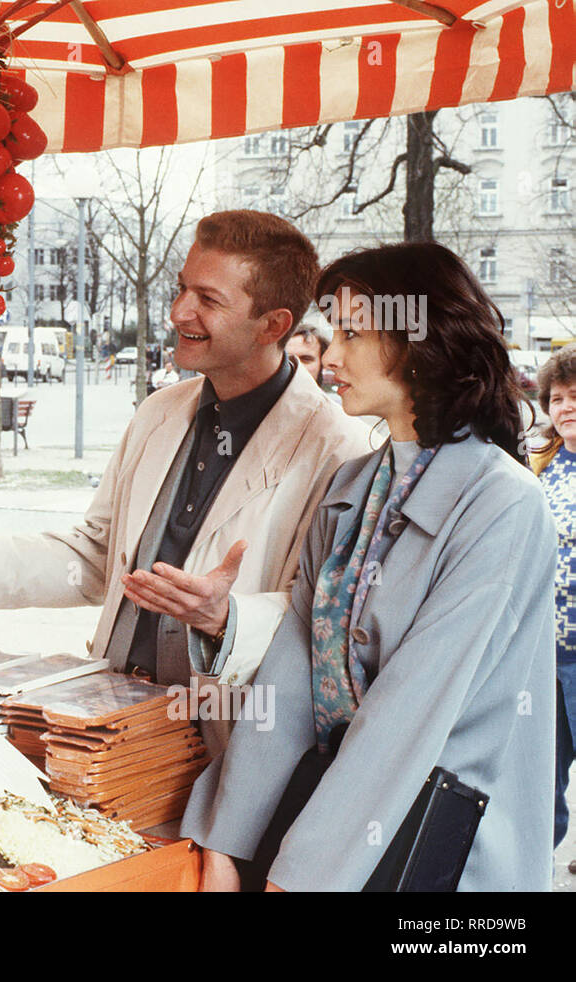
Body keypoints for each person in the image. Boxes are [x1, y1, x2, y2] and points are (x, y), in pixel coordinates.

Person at [0, 211, 369, 745]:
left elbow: (327, 625)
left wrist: (226, 617)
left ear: (274, 325)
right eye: (180, 289)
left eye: (208, 299)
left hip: (229, 739)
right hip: (111, 725)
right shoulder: (160, 412)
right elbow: (97, 556)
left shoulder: (338, 451)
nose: (178, 312)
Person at [182, 242, 557, 892]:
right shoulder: (350, 487)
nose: (328, 358)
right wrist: (226, 837)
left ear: (421, 340)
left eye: (352, 333)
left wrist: (298, 877)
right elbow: (290, 679)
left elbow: (406, 713)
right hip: (340, 837)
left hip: (442, 864)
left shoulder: (504, 505)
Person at [532, 346, 576, 849]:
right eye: (557, 398)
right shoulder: (540, 462)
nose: (564, 407)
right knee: (543, 778)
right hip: (544, 655)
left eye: (575, 397)